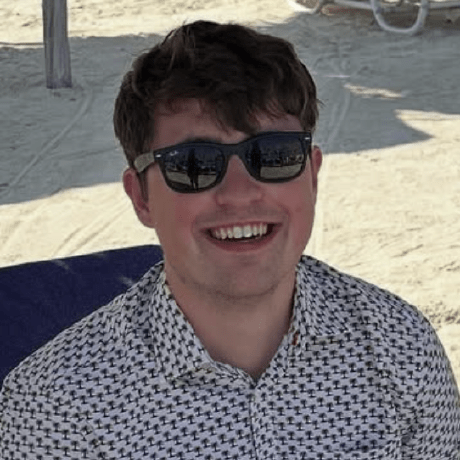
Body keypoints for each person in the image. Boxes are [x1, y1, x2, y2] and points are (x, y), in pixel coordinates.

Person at [1, 20, 459, 459]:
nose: (240, 194)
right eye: (193, 164)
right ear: (141, 196)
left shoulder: (402, 347)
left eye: (275, 155)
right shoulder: (54, 407)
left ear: (312, 177)